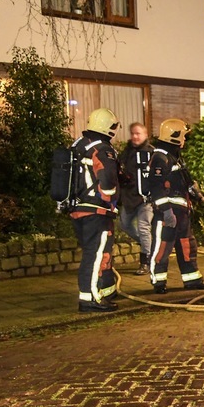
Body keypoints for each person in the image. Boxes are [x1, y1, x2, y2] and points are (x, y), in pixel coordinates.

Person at [148, 118, 204, 294]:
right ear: (174, 136)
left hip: (182, 213)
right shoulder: (160, 158)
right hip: (167, 213)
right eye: (183, 135)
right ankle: (158, 282)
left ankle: (192, 280)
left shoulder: (173, 155)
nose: (185, 138)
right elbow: (156, 187)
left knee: (187, 246)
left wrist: (197, 195)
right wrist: (167, 212)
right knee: (162, 247)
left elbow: (185, 179)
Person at [70, 108, 121, 312]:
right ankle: (89, 298)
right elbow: (107, 179)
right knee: (94, 254)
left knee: (98, 252)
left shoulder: (78, 145)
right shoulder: (101, 148)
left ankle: (105, 290)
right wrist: (111, 199)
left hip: (77, 208)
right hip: (96, 210)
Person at [118, 122, 155, 275]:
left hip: (146, 198)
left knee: (143, 227)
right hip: (129, 196)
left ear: (145, 134)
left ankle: (145, 262)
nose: (134, 136)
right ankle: (149, 246)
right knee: (124, 224)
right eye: (132, 133)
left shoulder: (151, 152)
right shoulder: (126, 152)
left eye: (138, 133)